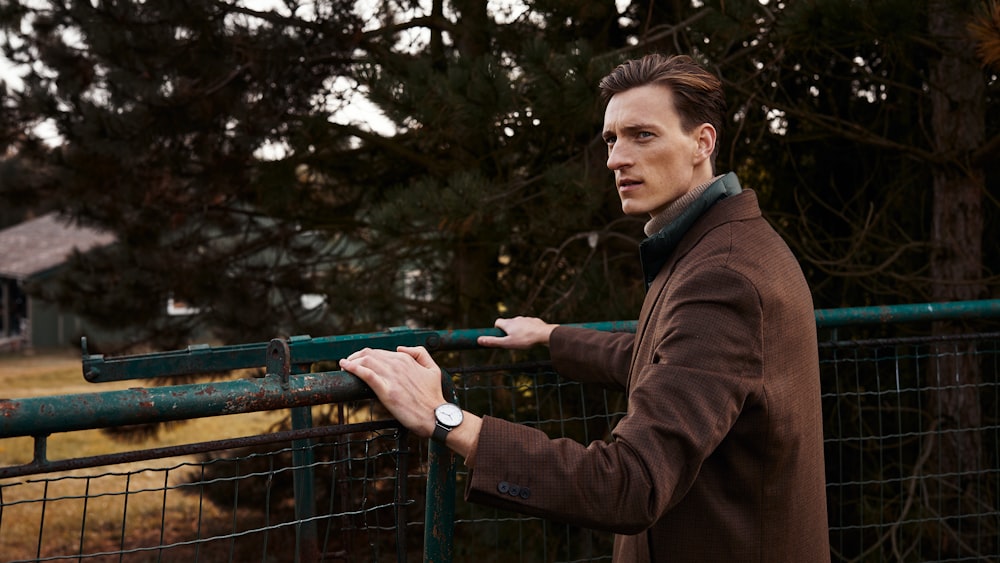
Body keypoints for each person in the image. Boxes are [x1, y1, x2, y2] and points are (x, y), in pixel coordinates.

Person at [340, 53, 830, 562]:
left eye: (643, 135)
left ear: (702, 143)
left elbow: (629, 483)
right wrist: (553, 337)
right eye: (611, 139)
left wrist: (446, 420)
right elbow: (669, 361)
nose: (617, 158)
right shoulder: (726, 241)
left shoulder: (721, 275)